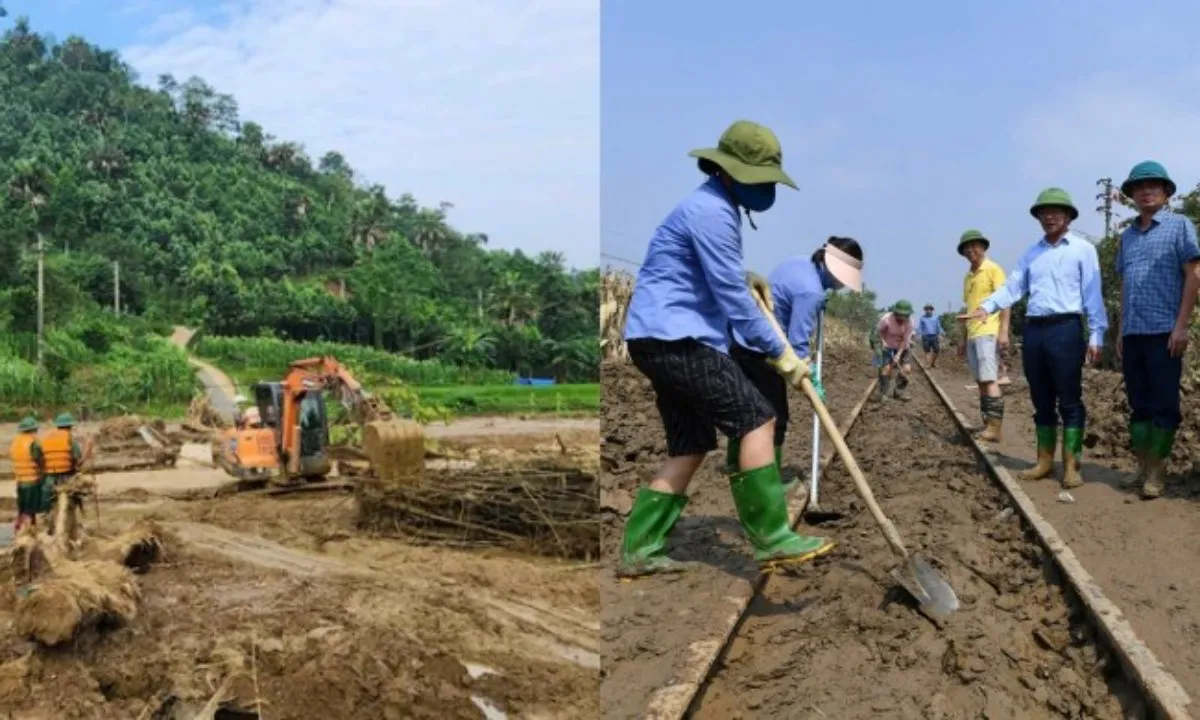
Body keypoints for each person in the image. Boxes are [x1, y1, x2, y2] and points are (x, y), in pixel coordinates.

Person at [617, 120, 834, 579]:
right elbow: (733, 302)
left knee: (690, 444)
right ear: (731, 173)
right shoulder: (712, 213)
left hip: (654, 337)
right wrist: (783, 354)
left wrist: (743, 274)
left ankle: (639, 547)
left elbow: (717, 278)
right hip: (679, 339)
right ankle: (772, 538)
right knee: (757, 418)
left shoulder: (711, 206)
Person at [967, 188, 1107, 489]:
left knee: (1069, 398)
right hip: (1034, 331)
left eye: (1056, 211)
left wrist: (1096, 333)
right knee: (1041, 397)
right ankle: (1044, 461)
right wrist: (986, 306)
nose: (1050, 216)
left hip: (1066, 328)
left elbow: (1092, 294)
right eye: (1044, 212)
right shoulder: (1032, 253)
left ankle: (1071, 465)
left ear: (1068, 216)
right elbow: (1013, 287)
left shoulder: (1082, 249)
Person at [725, 237, 866, 492]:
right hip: (761, 351)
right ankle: (768, 481)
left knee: (748, 411)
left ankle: (736, 464)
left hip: (741, 340)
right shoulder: (810, 291)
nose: (843, 285)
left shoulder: (800, 263)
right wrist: (809, 378)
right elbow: (798, 344)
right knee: (774, 417)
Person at [1114, 161, 1200, 499]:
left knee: (1165, 404)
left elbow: (1193, 275)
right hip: (1134, 332)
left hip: (1165, 331)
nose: (1146, 191)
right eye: (1139, 187)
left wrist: (1181, 326)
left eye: (1153, 186)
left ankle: (1157, 471)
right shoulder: (1127, 236)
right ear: (1132, 195)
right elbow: (1125, 284)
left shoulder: (1179, 226)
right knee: (1138, 404)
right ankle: (1142, 465)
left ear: (1165, 193)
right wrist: (1121, 330)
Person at [956, 229, 1011, 442]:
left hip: (988, 332)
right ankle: (988, 424)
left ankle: (995, 429)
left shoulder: (993, 269)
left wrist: (1003, 331)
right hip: (973, 334)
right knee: (980, 380)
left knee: (989, 380)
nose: (971, 251)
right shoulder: (968, 277)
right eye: (966, 248)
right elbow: (968, 308)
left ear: (983, 247)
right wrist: (962, 338)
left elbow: (1005, 300)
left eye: (974, 246)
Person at [38, 413, 85, 521]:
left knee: (46, 495)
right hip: (66, 475)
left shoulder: (46, 438)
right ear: (70, 427)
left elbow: (41, 458)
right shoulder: (69, 439)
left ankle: (45, 515)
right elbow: (77, 457)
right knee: (75, 495)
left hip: (50, 476)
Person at [9, 416, 44, 532]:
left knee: (22, 511)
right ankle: (28, 533)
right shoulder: (33, 443)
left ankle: (18, 531)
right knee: (30, 511)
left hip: (20, 481)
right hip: (32, 481)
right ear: (34, 429)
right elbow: (39, 460)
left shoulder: (15, 442)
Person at [875, 300, 915, 401]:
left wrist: (899, 354)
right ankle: (883, 393)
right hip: (888, 345)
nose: (902, 318)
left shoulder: (910, 322)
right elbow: (879, 331)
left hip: (903, 347)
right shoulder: (886, 319)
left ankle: (899, 392)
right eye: (900, 315)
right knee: (887, 369)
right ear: (895, 313)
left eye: (905, 316)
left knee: (906, 369)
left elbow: (904, 340)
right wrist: (883, 341)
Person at [917, 303, 943, 368]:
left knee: (937, 351)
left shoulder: (936, 317)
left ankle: (933, 363)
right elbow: (919, 327)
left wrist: (940, 334)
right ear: (925, 310)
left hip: (934, 336)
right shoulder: (922, 318)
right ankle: (928, 364)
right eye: (927, 309)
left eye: (929, 309)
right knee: (927, 351)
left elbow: (938, 326)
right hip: (925, 336)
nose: (928, 310)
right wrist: (919, 334)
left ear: (932, 310)